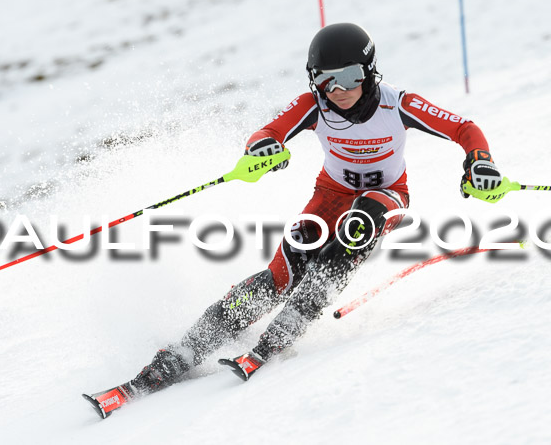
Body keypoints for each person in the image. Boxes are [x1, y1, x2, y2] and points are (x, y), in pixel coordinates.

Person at [131, 23, 503, 391]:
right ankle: (186, 349)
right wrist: (262, 147)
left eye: (350, 77)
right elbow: (268, 131)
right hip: (330, 195)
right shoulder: (315, 106)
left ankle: (288, 326)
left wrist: (480, 160)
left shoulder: (398, 103)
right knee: (284, 270)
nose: (339, 90)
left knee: (359, 224)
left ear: (369, 72)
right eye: (327, 80)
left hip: (388, 194)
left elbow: (464, 128)